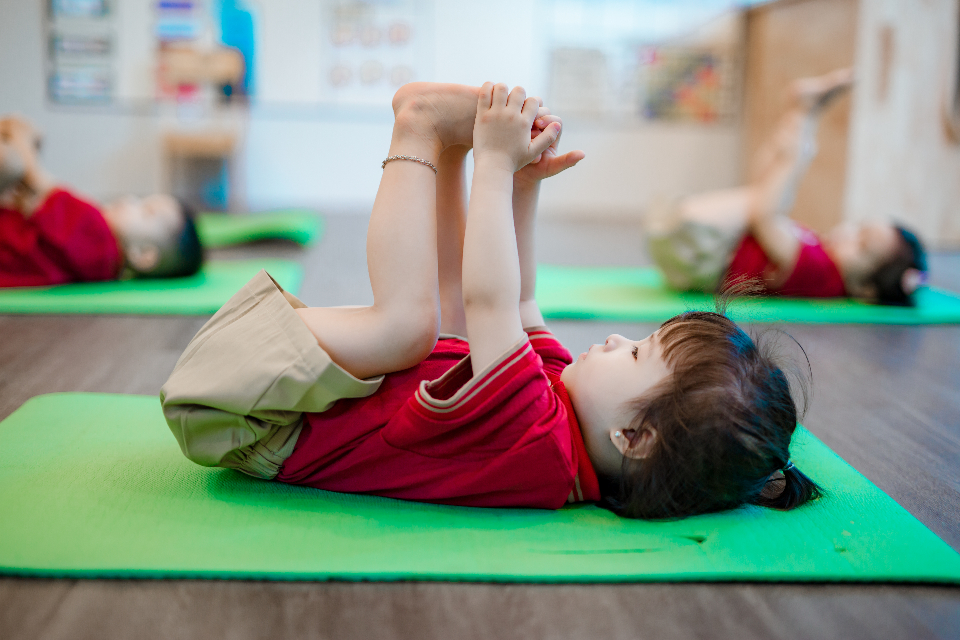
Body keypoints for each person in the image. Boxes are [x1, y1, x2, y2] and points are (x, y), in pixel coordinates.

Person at [161, 82, 820, 520]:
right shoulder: (563, 407)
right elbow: (523, 299)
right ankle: (448, 146)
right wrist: (524, 184)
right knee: (450, 329)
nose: (619, 339)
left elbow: (492, 299)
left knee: (411, 329)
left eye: (637, 353)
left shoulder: (541, 445)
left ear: (633, 437)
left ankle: (417, 130)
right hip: (270, 388)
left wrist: (498, 168)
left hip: (245, 412)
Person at [646, 68, 927, 306]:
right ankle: (802, 112)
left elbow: (765, 216)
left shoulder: (823, 273)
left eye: (861, 244)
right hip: (694, 251)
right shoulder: (822, 256)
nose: (847, 233)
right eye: (858, 228)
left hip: (700, 254)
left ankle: (803, 116)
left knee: (765, 197)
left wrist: (795, 159)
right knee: (766, 185)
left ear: (864, 289)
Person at [0, 116, 203, 288]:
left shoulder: (99, 234)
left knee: (9, 161)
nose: (130, 199)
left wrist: (20, 136)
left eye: (145, 211)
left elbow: (35, 181)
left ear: (143, 254)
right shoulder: (104, 269)